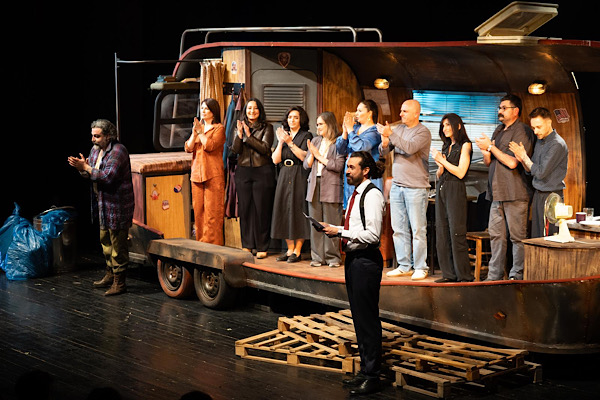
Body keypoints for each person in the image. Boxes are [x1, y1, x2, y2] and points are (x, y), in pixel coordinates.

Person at [322, 151, 386, 396]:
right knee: (359, 318)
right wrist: (334, 228)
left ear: (365, 170)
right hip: (354, 259)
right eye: (347, 167)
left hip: (366, 261)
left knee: (367, 319)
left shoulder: (372, 195)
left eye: (352, 167)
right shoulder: (356, 193)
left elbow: (373, 235)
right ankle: (365, 370)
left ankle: (373, 375)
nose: (347, 171)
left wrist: (340, 233)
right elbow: (355, 228)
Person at [68, 119, 134, 296]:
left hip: (117, 206)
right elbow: (91, 174)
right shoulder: (95, 150)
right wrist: (82, 168)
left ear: (108, 136)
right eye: (92, 136)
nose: (93, 139)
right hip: (103, 204)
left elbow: (107, 177)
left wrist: (87, 168)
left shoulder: (118, 151)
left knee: (118, 246)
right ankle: (110, 274)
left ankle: (120, 282)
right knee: (105, 242)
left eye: (97, 136)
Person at [475, 94, 533, 280]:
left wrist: (491, 148)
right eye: (499, 108)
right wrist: (485, 151)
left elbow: (512, 162)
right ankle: (494, 276)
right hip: (496, 193)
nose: (499, 111)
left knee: (517, 238)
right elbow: (489, 162)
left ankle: (516, 275)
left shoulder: (522, 130)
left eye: (504, 108)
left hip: (515, 192)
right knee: (496, 237)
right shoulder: (498, 130)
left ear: (515, 111)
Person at [378, 99, 432, 280]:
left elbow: (409, 148)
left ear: (416, 113)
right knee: (399, 229)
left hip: (416, 187)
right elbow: (384, 152)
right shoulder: (399, 130)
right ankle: (404, 265)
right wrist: (385, 142)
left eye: (405, 111)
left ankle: (421, 267)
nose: (400, 114)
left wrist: (391, 135)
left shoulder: (423, 132)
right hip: (397, 186)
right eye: (401, 110)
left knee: (417, 230)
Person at [509, 107, 568, 238]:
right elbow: (532, 170)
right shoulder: (540, 141)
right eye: (533, 128)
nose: (535, 131)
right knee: (536, 236)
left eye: (538, 127)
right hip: (538, 194)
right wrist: (522, 160)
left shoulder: (557, 144)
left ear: (549, 122)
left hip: (551, 197)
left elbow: (540, 172)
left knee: (548, 237)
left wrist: (524, 157)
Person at [431, 114, 474, 282]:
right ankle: (448, 274)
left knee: (456, 232)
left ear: (458, 126)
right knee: (442, 232)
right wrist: (440, 165)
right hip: (442, 188)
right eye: (443, 126)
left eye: (448, 125)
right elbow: (440, 173)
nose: (445, 128)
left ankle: (464, 275)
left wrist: (443, 162)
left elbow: (461, 172)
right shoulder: (446, 146)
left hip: (455, 189)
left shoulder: (465, 145)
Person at [231, 98, 276, 258]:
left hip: (262, 171)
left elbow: (265, 149)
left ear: (260, 111)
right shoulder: (239, 126)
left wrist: (249, 136)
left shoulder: (267, 127)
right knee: (245, 209)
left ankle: (262, 246)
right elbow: (235, 150)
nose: (252, 111)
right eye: (249, 108)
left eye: (255, 108)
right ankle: (247, 245)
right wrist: (239, 135)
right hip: (243, 171)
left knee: (261, 210)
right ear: (245, 111)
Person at [271, 106, 313, 263]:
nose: (292, 120)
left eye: (295, 117)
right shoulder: (284, 135)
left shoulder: (306, 135)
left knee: (298, 209)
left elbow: (304, 157)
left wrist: (290, 143)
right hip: (284, 172)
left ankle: (298, 250)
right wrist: (281, 142)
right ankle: (289, 250)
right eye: (290, 117)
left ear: (301, 119)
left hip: (299, 173)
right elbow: (275, 159)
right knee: (283, 209)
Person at [304, 112, 345, 268]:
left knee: (331, 222)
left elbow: (338, 166)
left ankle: (332, 257)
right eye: (317, 124)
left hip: (331, 186)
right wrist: (311, 155)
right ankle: (317, 257)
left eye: (321, 124)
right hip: (314, 185)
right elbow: (306, 165)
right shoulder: (315, 140)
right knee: (315, 223)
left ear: (329, 124)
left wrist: (318, 156)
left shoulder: (338, 143)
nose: (318, 127)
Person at [185, 98, 226, 245]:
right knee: (198, 212)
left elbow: (210, 146)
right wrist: (195, 133)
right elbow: (188, 147)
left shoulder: (219, 128)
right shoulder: (199, 128)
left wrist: (201, 133)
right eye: (202, 108)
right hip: (197, 174)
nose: (203, 111)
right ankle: (201, 245)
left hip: (213, 175)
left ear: (213, 112)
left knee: (212, 212)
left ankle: (213, 246)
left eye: (207, 108)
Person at [336, 100, 383, 209]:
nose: (356, 114)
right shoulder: (355, 128)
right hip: (351, 172)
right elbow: (340, 150)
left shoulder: (375, 131)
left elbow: (361, 148)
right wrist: (345, 132)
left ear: (369, 113)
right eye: (356, 110)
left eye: (360, 111)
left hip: (365, 174)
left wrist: (350, 129)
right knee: (351, 208)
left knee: (365, 207)